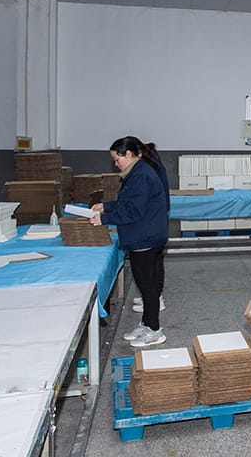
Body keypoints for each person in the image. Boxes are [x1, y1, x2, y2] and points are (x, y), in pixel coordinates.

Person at [90, 136, 169, 347]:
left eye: (117, 159)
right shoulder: (136, 172)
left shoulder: (141, 175)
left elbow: (133, 211)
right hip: (146, 235)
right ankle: (147, 323)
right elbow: (129, 201)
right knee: (146, 285)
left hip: (145, 237)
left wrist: (104, 219)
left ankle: (154, 331)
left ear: (128, 154)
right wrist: (107, 206)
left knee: (147, 286)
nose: (115, 164)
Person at [122, 136, 170, 315]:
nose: (117, 164)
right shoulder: (151, 166)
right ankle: (153, 300)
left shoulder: (145, 170)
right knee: (154, 266)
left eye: (118, 159)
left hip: (149, 226)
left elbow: (137, 206)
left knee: (148, 273)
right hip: (155, 222)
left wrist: (107, 217)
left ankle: (154, 303)